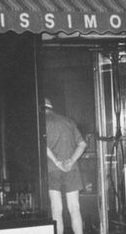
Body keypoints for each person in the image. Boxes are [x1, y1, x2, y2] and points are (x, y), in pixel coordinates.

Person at [45, 97, 87, 234]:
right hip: (72, 169)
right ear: (51, 107)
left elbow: (43, 146)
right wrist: (70, 161)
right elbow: (82, 144)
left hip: (52, 170)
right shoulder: (68, 121)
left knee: (56, 210)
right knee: (74, 208)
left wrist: (57, 162)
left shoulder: (42, 123)